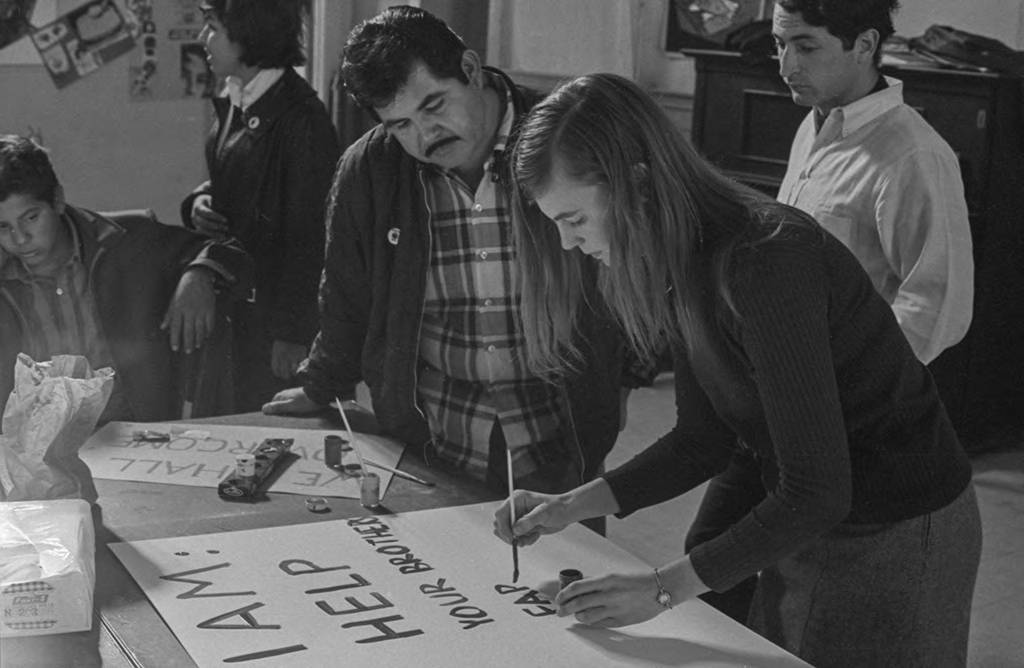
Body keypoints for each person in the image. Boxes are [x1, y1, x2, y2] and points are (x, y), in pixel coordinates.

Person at [492, 73, 981, 667]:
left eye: (573, 219)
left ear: (637, 187)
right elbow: (703, 441)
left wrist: (661, 588)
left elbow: (819, 488)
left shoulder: (764, 260)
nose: (568, 243)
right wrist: (569, 506)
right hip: (806, 518)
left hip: (895, 523)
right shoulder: (680, 256)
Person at [263, 6, 642, 497]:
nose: (424, 137)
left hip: (560, 434)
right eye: (399, 125)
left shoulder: (563, 135)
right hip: (432, 438)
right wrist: (321, 385)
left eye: (435, 105)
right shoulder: (371, 170)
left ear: (469, 68)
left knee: (564, 569)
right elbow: (345, 298)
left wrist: (629, 376)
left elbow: (641, 265)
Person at [0, 134, 254, 421]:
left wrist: (200, 273)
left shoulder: (127, 240)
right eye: (3, 226)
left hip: (132, 438)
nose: (19, 239)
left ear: (57, 200)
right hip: (38, 446)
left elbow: (230, 253)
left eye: (31, 218)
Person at [773, 0, 972, 365]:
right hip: (793, 363)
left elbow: (937, 309)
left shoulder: (914, 155)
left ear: (864, 45)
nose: (786, 66)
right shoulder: (814, 124)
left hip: (854, 390)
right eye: (780, 45)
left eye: (806, 47)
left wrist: (854, 378)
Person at [181, 0, 339, 411]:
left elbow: (312, 234)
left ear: (248, 30)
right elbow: (239, 182)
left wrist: (293, 333)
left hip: (274, 325)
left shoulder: (301, 118)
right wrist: (199, 202)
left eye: (212, 27)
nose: (203, 39)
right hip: (240, 309)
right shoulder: (239, 97)